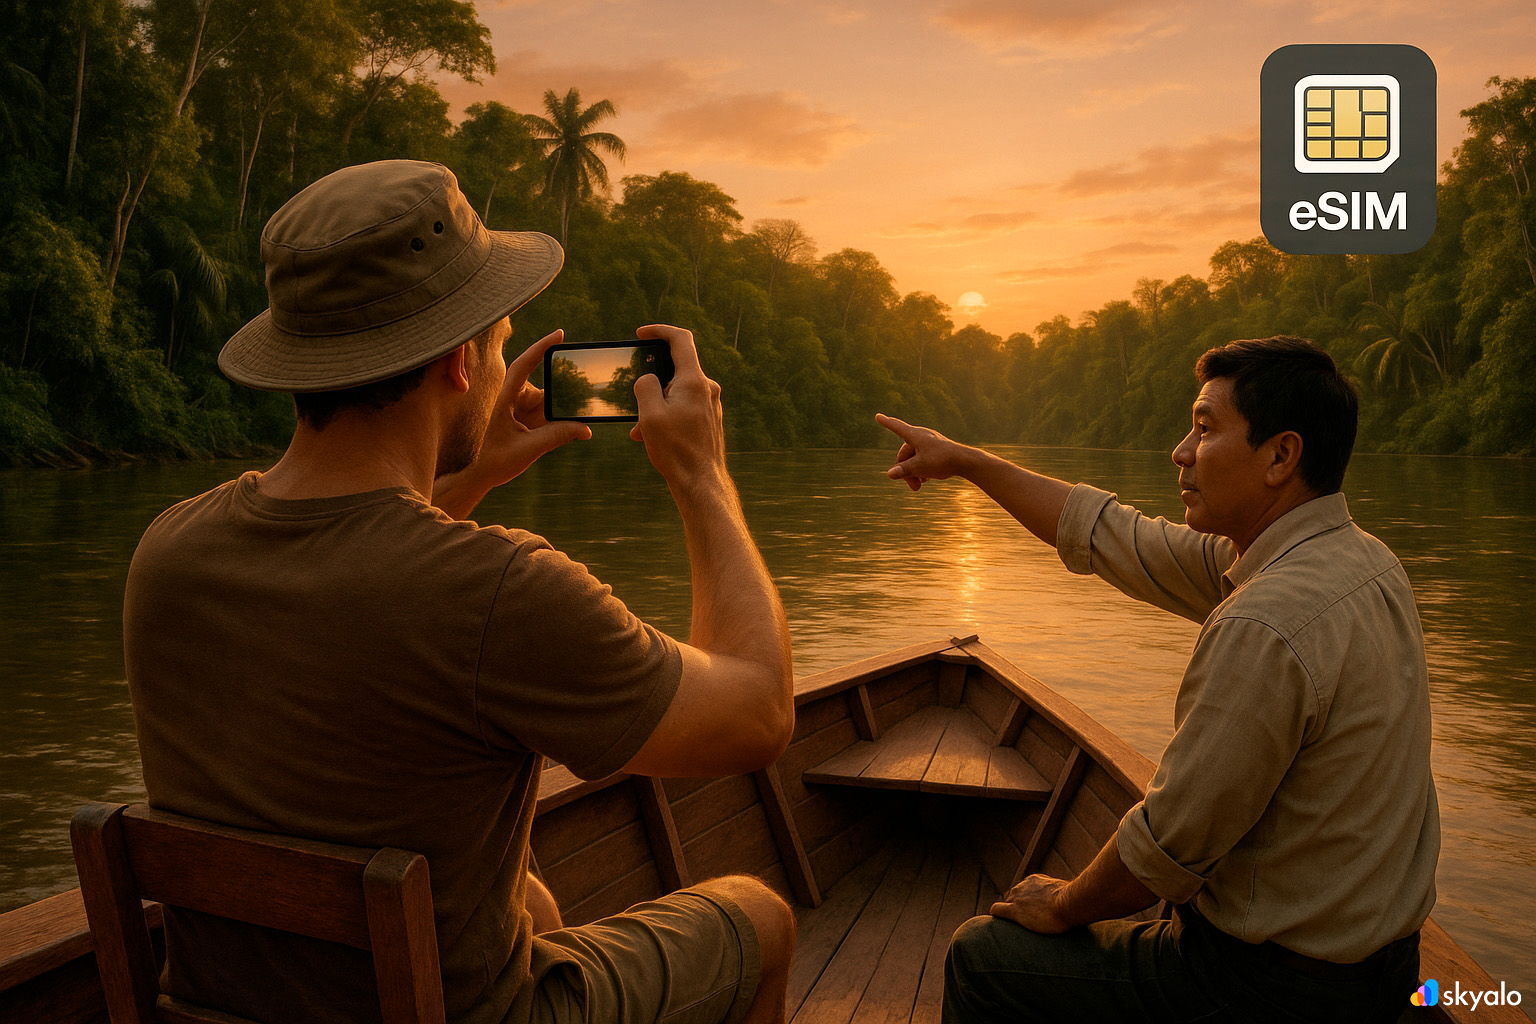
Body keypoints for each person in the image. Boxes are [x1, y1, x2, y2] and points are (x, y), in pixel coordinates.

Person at [123, 160, 796, 1024]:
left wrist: (467, 476)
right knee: (759, 916)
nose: (502, 357)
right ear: (456, 361)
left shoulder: (170, 550)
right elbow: (758, 714)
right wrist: (702, 475)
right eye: (497, 334)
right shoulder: (499, 590)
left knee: (537, 904)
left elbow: (356, 578)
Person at [877, 336, 1436, 1024]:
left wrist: (1062, 903)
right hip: (1390, 969)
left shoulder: (1264, 620)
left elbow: (1164, 853)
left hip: (1270, 989)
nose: (1180, 450)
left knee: (982, 955)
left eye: (1204, 429)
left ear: (1281, 456)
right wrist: (965, 461)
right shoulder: (1362, 561)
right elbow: (1111, 533)